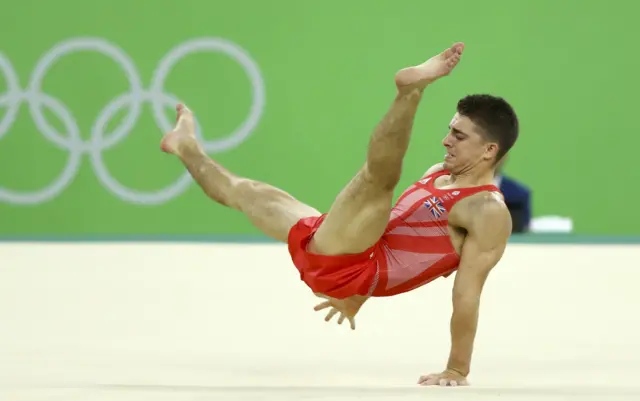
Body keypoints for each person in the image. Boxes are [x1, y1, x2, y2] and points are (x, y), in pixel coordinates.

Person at [160, 42, 519, 387]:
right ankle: (186, 147)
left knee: (378, 179)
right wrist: (357, 295)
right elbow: (395, 237)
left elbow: (466, 295)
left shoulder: (488, 210)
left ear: (489, 150)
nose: (446, 141)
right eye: (449, 131)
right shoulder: (436, 173)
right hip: (341, 253)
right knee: (245, 193)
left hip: (353, 262)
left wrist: (456, 368)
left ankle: (410, 92)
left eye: (458, 135)